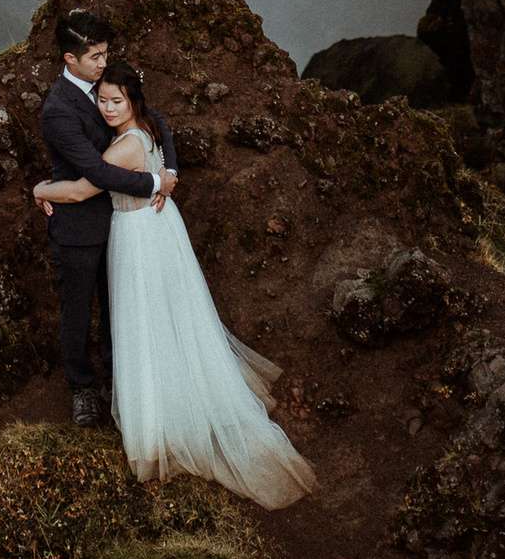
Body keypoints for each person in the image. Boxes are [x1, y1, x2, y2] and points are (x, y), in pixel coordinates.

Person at [34, 57, 315, 509]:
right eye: (102, 100)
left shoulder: (126, 146)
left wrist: (39, 190)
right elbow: (159, 146)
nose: (107, 109)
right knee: (166, 316)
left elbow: (83, 190)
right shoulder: (149, 126)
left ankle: (159, 418)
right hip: (157, 228)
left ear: (132, 100)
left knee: (144, 319)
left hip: (138, 236)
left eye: (115, 101)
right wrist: (165, 179)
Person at [35, 8, 170, 429]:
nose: (103, 62)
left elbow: (157, 122)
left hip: (122, 226)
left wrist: (172, 171)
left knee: (118, 309)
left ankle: (117, 382)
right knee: (76, 313)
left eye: (105, 53)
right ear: (69, 60)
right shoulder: (57, 110)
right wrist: (152, 183)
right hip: (77, 226)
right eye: (95, 56)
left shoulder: (106, 83)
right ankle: (82, 390)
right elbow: (94, 173)